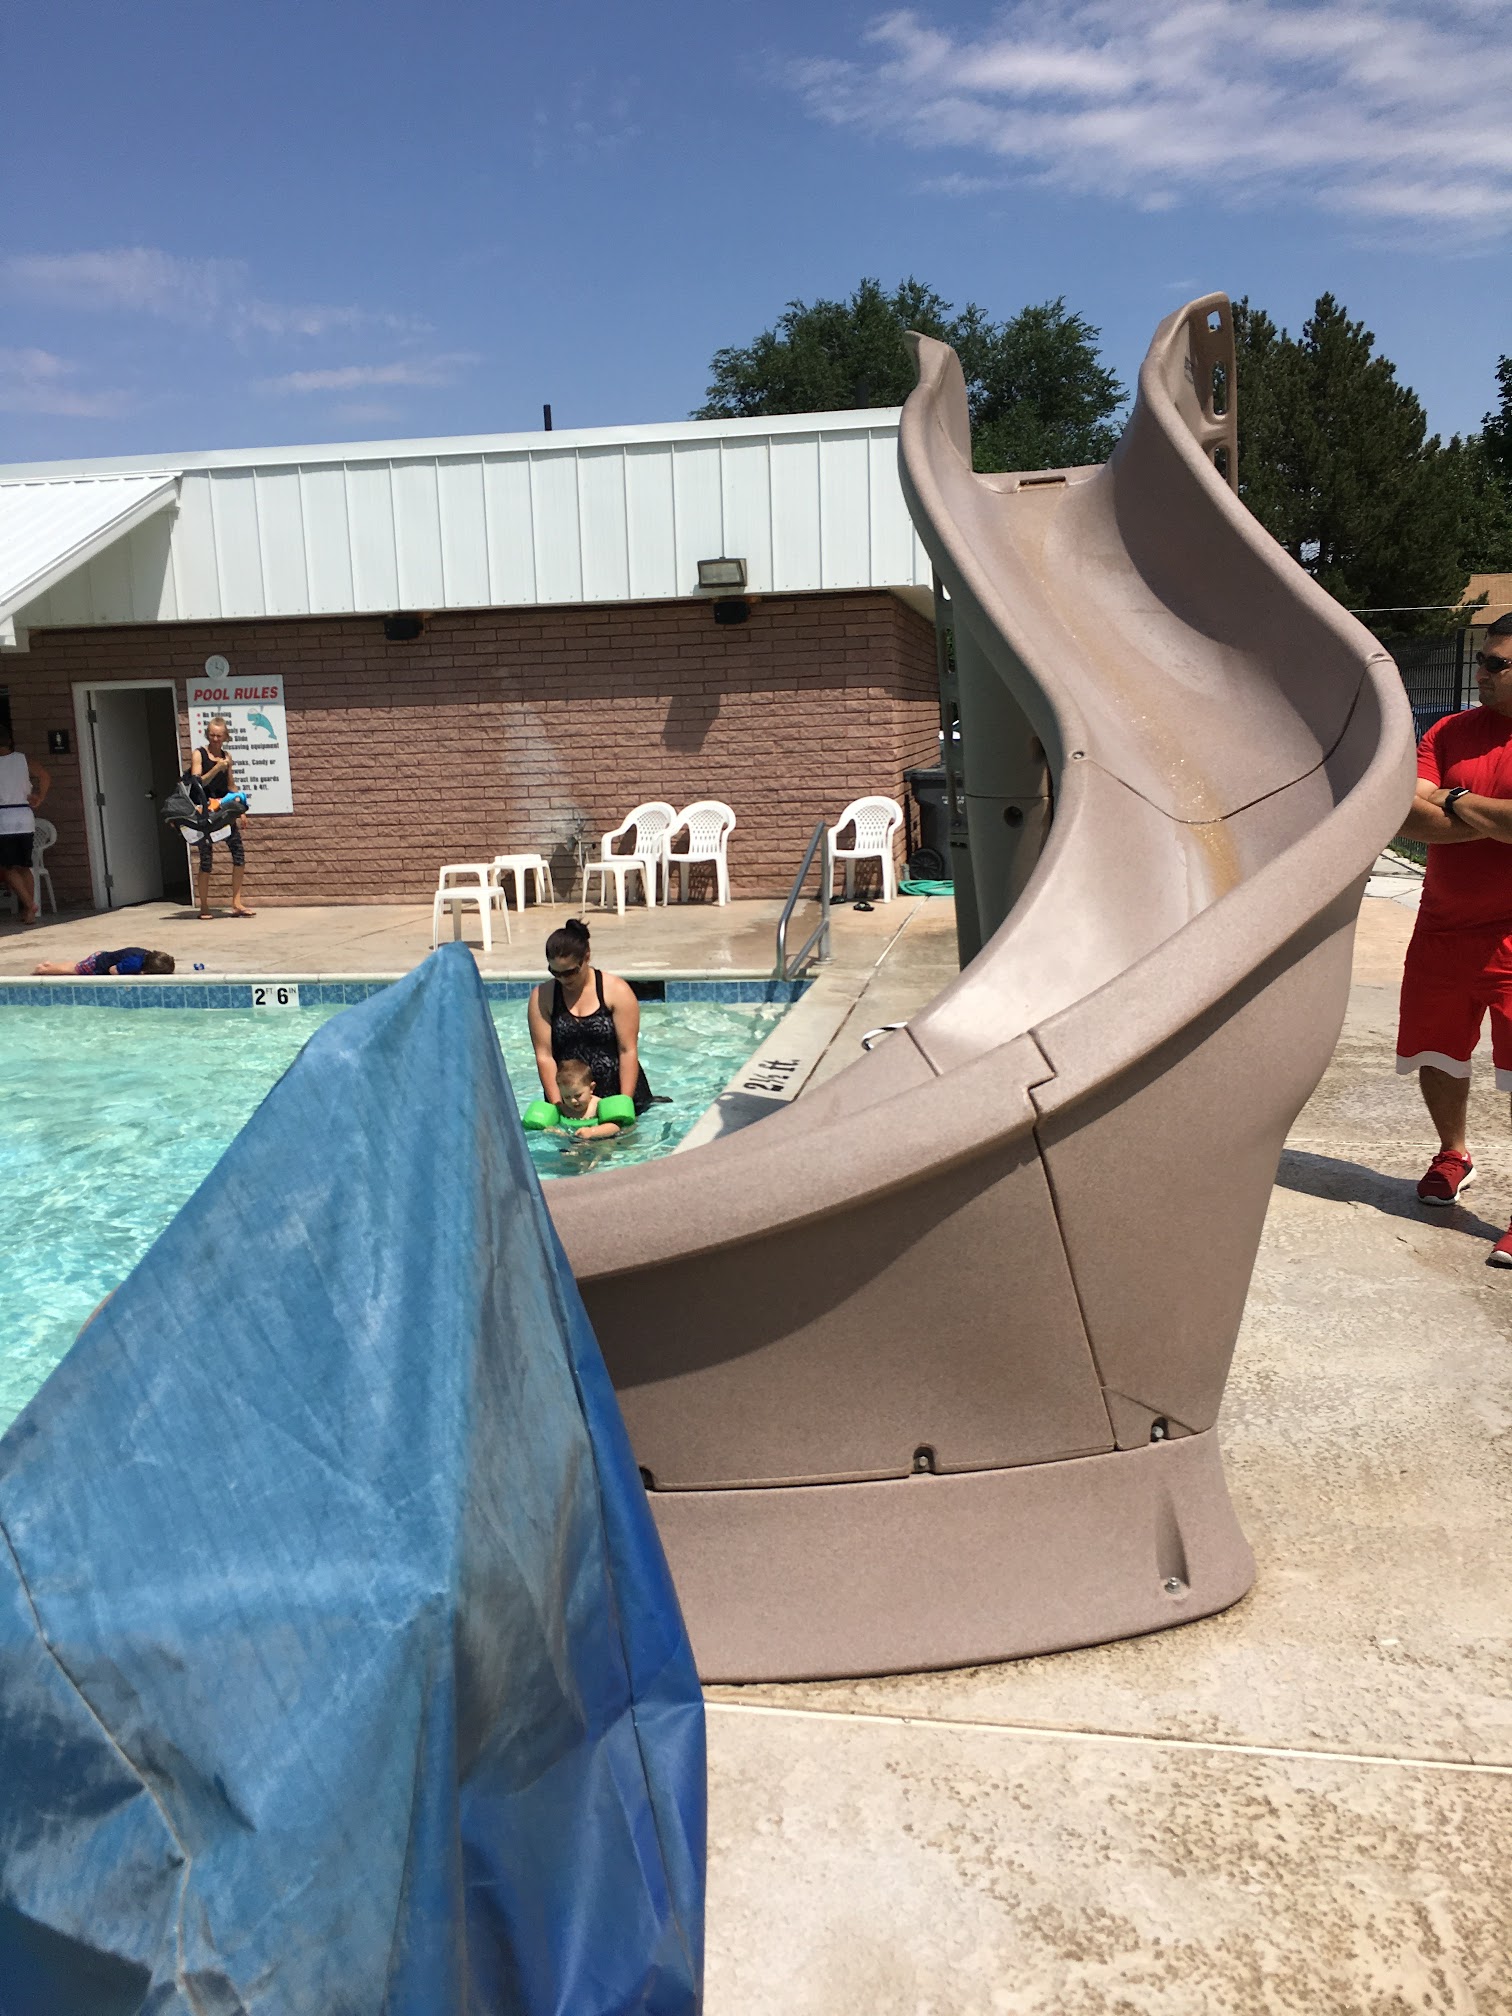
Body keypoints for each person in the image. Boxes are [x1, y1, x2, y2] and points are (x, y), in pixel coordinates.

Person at [1395, 612, 1512, 1266]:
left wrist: (1454, 798)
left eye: (1495, 664)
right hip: (1442, 929)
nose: (1481, 672)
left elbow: (1439, 806)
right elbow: (1409, 816)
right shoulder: (1448, 730)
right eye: (1482, 660)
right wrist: (1492, 818)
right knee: (1437, 1052)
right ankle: (1453, 1154)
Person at [527, 917, 655, 1115]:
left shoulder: (617, 991)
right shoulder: (543, 997)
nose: (562, 979)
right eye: (555, 972)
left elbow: (627, 1050)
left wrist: (624, 1104)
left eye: (570, 972)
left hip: (617, 1093)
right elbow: (544, 1056)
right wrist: (559, 1107)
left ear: (586, 957)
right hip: (571, 1099)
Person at [190, 716, 255, 920]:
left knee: (238, 853)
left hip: (223, 810)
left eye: (219, 736)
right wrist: (216, 768)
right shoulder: (199, 754)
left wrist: (240, 809)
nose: (215, 739)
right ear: (207, 735)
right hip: (204, 811)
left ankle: (236, 902)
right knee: (206, 859)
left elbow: (231, 785)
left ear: (226, 736)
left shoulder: (227, 756)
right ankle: (204, 906)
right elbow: (197, 782)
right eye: (212, 735)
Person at [0, 729, 50, 925]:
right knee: (24, 866)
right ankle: (30, 911)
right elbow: (44, 776)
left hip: (4, 820)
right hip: (24, 816)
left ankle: (29, 904)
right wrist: (40, 797)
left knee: (8, 868)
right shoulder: (23, 760)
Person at [539, 1058, 632, 1141]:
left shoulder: (598, 1105)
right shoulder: (563, 1109)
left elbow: (615, 1127)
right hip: (573, 1143)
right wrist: (555, 1131)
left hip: (599, 1142)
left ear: (591, 1088)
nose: (573, 1101)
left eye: (578, 1095)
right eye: (567, 1097)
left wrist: (592, 1132)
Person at [33, 948, 175, 976]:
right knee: (75, 970)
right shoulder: (134, 964)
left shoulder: (145, 954)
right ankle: (44, 970)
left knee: (76, 966)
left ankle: (50, 965)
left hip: (102, 956)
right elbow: (113, 970)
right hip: (98, 963)